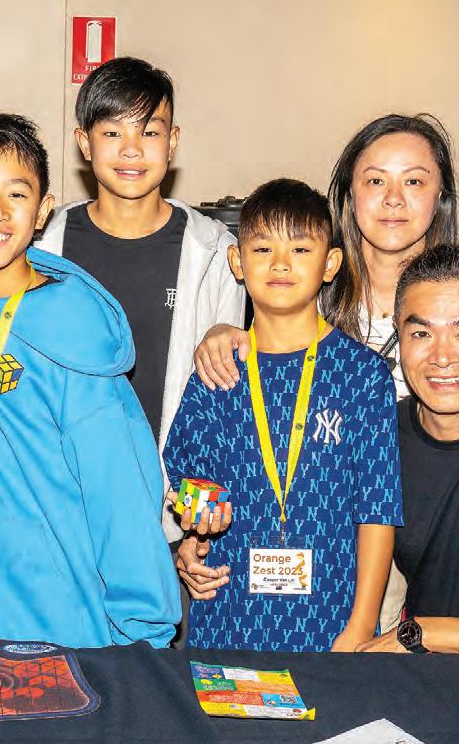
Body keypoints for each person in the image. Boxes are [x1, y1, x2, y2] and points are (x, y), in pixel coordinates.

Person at [187, 114, 459, 631]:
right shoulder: (311, 295)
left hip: (433, 527)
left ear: (440, 195)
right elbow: (210, 463)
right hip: (321, 546)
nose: (393, 199)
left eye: (414, 181)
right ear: (349, 195)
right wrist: (197, 532)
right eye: (375, 180)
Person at [0, 113, 180, 649]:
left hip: (64, 621)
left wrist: (144, 636)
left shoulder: (74, 332)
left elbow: (120, 491)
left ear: (43, 210)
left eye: (17, 194)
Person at [164, 179, 403, 651]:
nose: (280, 263)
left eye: (300, 249)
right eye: (262, 248)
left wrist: (361, 626)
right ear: (237, 262)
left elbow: (378, 511)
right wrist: (195, 534)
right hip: (230, 617)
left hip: (332, 619)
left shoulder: (363, 375)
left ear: (330, 264)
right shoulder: (216, 372)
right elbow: (186, 478)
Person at [38, 57, 244, 542]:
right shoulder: (44, 246)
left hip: (171, 519)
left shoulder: (213, 251)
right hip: (65, 512)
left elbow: (224, 403)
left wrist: (199, 531)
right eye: (113, 132)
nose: (131, 149)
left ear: (172, 142)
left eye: (149, 132)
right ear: (84, 143)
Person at [356, 244, 459, 657]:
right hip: (425, 681)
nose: (441, 357)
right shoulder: (379, 436)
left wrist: (425, 633)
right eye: (421, 333)